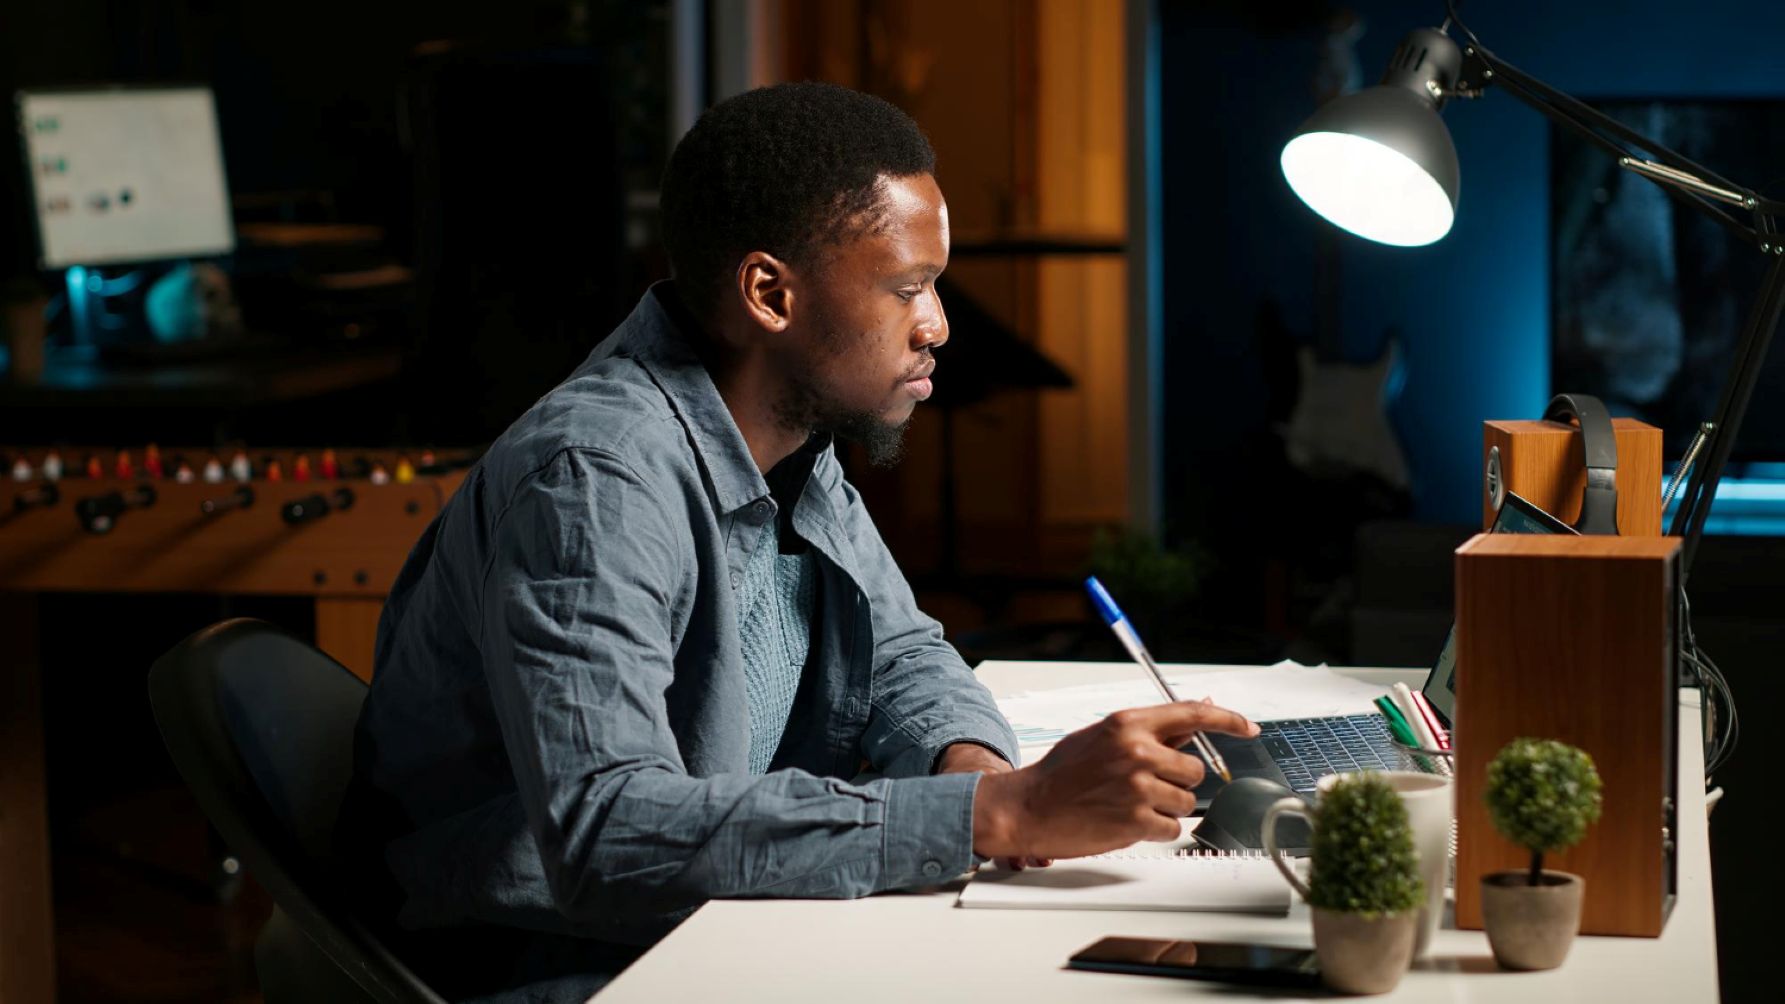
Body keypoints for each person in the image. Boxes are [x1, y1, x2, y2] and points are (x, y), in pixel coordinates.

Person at [341, 81, 1257, 1001]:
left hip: (714, 922)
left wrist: (967, 767)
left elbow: (900, 653)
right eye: (907, 288)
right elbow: (605, 831)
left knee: (1152, 949)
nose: (937, 324)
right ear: (770, 294)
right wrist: (997, 814)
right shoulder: (594, 481)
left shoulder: (786, 435)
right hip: (565, 963)